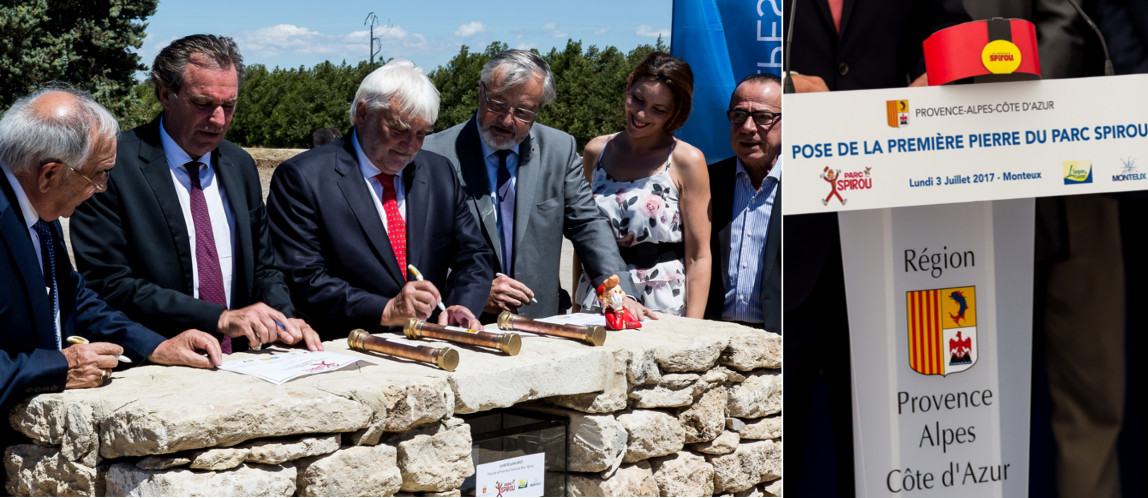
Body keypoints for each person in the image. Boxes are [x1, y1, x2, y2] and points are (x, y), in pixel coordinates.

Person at [783, 1, 969, 496]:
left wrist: (934, 84)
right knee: (770, 448)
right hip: (784, 241)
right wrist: (781, 84)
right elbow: (721, 55)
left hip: (887, 240)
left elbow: (963, 42)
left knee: (879, 451)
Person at [0, 87, 223, 481]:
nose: (101, 188)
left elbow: (73, 298)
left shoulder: (38, 210)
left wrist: (156, 345)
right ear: (50, 173)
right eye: (98, 174)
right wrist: (55, 367)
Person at [70, 34, 320, 354]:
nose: (218, 120)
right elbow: (109, 284)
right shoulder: (113, 167)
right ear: (165, 94)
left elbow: (263, 267)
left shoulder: (239, 164)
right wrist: (219, 318)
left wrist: (284, 320)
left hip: (245, 362)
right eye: (203, 104)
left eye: (229, 106)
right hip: (155, 360)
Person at [266, 59, 494, 338]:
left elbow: (474, 255)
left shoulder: (439, 173)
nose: (410, 146)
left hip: (432, 343)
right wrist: (385, 310)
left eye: (421, 134)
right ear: (363, 113)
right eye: (398, 129)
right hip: (348, 349)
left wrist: (461, 305)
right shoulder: (303, 178)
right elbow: (304, 279)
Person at [422, 49, 653, 321]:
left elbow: (587, 225)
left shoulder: (559, 148)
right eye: (497, 104)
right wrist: (472, 290)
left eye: (523, 112)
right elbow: (415, 248)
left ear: (539, 109)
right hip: (459, 325)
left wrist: (616, 292)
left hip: (541, 324)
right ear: (480, 93)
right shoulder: (433, 154)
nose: (507, 120)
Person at [570, 52, 711, 318]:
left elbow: (699, 256)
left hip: (661, 305)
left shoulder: (686, 160)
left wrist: (694, 330)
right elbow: (584, 239)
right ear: (629, 83)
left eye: (659, 110)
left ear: (676, 112)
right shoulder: (595, 151)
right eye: (638, 99)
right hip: (599, 298)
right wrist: (577, 306)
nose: (641, 114)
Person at [704, 73, 781, 332]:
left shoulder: (808, 184)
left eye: (763, 117)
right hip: (714, 335)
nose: (748, 127)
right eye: (739, 115)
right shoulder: (707, 181)